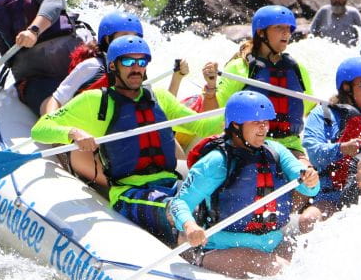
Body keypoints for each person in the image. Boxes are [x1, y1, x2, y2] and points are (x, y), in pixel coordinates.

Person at [31, 36, 224, 246]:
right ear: (113, 65)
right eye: (128, 62)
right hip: (129, 192)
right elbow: (40, 129)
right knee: (178, 210)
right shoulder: (96, 101)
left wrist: (232, 106)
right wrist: (73, 133)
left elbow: (203, 126)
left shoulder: (159, 97)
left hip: (171, 183)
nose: (136, 68)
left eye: (141, 62)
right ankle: (195, 253)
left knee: (217, 204)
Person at [168, 91, 320, 278]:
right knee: (282, 272)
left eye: (266, 121)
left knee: (313, 262)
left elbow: (306, 185)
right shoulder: (217, 161)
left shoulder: (276, 151)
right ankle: (194, 255)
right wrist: (190, 226)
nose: (264, 127)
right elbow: (179, 203)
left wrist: (311, 180)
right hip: (223, 247)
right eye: (256, 122)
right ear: (236, 125)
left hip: (272, 241)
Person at [215, 5, 314, 159]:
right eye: (279, 27)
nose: (286, 33)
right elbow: (219, 109)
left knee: (309, 180)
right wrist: (209, 89)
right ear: (261, 33)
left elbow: (310, 108)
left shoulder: (296, 69)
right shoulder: (239, 68)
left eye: (289, 28)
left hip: (289, 146)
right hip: (247, 144)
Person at [302, 56, 361, 216]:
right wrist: (342, 149)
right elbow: (313, 152)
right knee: (308, 219)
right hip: (333, 194)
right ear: (347, 87)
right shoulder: (323, 114)